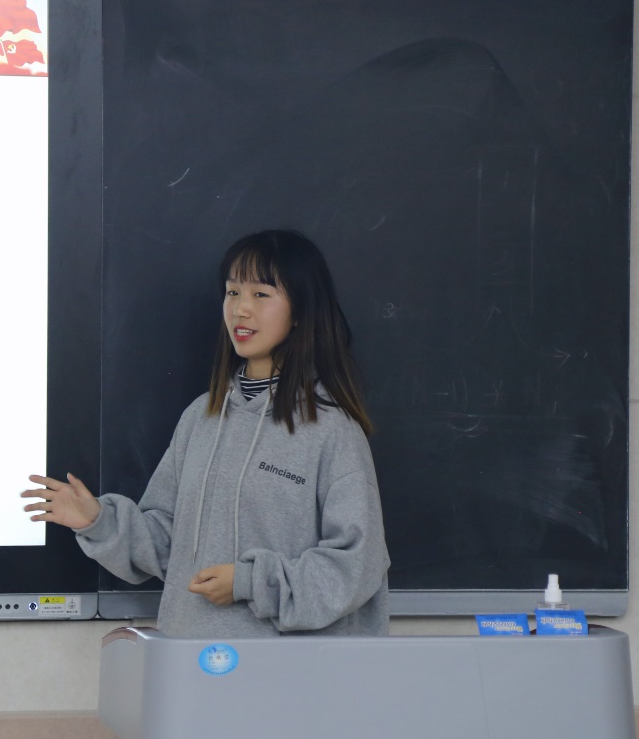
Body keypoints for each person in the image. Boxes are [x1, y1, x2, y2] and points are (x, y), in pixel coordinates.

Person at [22, 229, 390, 638]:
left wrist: (250, 582)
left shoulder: (331, 431)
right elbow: (169, 545)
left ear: (301, 310)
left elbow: (357, 566)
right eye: (232, 293)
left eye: (260, 294)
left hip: (287, 671)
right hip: (192, 659)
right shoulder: (202, 417)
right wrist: (98, 522)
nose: (240, 309)